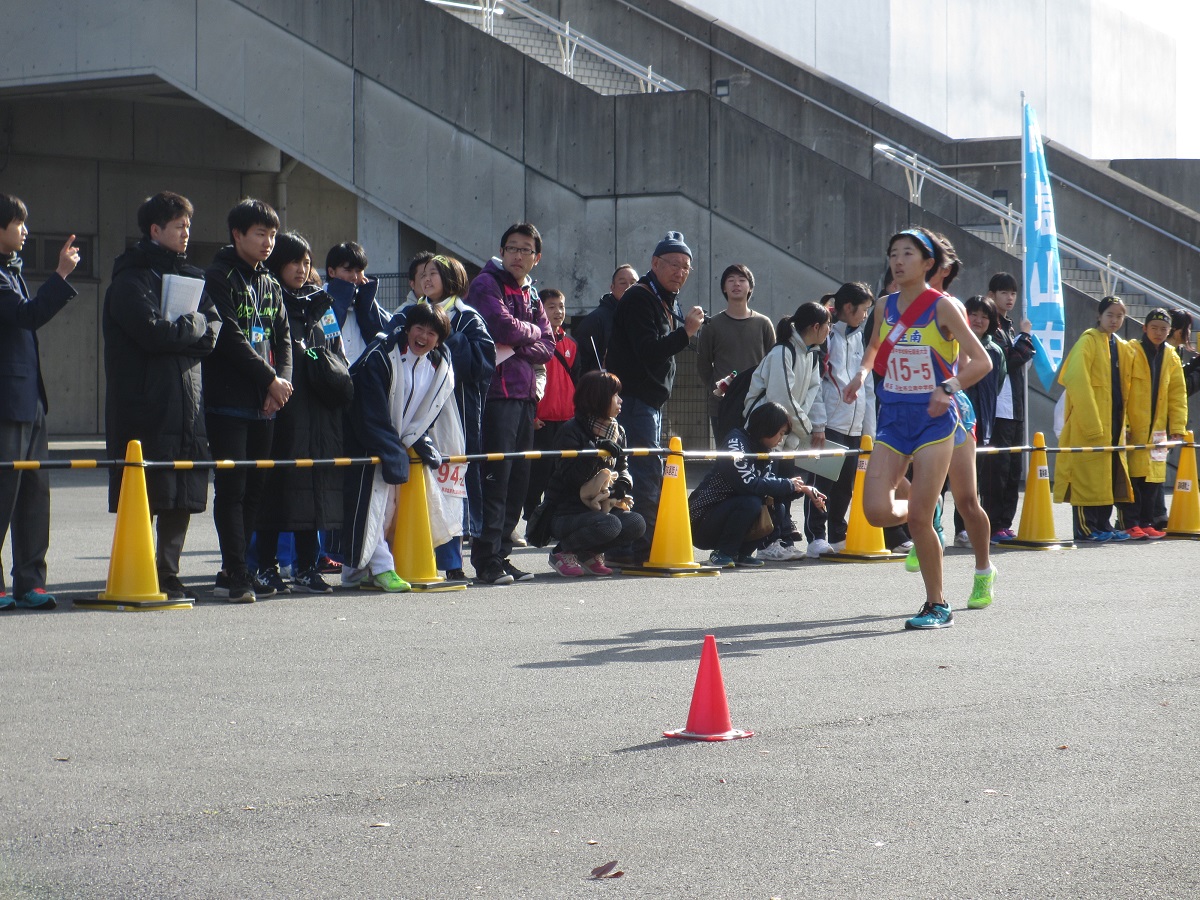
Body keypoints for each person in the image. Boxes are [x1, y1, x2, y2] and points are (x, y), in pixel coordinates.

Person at [842, 226, 993, 630]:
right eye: (893, 253)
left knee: (954, 505)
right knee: (875, 511)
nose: (898, 260)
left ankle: (938, 604)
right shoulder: (884, 306)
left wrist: (949, 386)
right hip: (893, 418)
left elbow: (981, 362)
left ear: (929, 263)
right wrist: (859, 374)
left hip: (935, 422)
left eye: (907, 253)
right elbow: (874, 347)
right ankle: (927, 510)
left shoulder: (944, 307)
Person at [103, 191, 221, 602]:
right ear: (155, 230)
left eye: (188, 225)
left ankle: (168, 573)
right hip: (145, 405)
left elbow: (213, 333)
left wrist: (185, 330)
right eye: (178, 226)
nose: (186, 232)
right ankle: (138, 569)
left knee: (180, 495)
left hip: (187, 404)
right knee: (145, 493)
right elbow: (154, 333)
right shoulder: (130, 279)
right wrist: (192, 326)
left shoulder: (191, 276)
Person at [202, 198, 292, 603]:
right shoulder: (218, 276)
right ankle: (233, 569)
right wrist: (270, 379)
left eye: (272, 234)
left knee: (257, 488)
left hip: (267, 404)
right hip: (229, 401)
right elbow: (229, 337)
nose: (268, 242)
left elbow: (284, 338)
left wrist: (282, 383)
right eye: (260, 233)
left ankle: (242, 566)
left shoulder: (270, 282)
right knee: (232, 487)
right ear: (237, 234)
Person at [253, 232, 350, 595]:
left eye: (306, 262)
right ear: (277, 265)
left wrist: (313, 356)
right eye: (294, 261)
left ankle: (308, 566)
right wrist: (307, 354)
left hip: (320, 408)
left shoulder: (321, 305)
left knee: (316, 488)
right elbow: (263, 348)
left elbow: (338, 353)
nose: (301, 268)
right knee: (276, 488)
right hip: (284, 407)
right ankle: (265, 565)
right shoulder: (268, 300)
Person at [604, 232, 706, 564]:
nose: (680, 272)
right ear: (655, 263)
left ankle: (635, 544)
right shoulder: (639, 297)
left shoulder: (663, 298)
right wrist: (685, 333)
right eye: (673, 264)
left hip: (648, 402)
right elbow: (648, 351)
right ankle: (636, 548)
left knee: (643, 470)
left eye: (686, 267)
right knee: (642, 471)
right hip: (634, 401)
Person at [0, 194, 80, 611]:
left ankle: (30, 582)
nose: (25, 231)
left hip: (30, 398)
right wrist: (61, 276)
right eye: (18, 223)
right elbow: (25, 316)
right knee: (3, 492)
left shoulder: (11, 270)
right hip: (6, 402)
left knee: (35, 494)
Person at [340, 302, 454, 591]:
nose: (424, 337)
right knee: (374, 508)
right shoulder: (381, 357)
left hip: (396, 445)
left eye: (432, 332)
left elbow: (426, 411)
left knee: (385, 509)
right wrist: (391, 449)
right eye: (419, 328)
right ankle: (382, 568)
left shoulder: (437, 366)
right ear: (407, 329)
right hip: (367, 442)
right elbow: (369, 412)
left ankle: (355, 572)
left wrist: (417, 439)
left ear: (439, 339)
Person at [466, 222, 555, 585]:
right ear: (502, 251)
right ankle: (486, 558)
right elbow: (501, 328)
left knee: (518, 482)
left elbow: (548, 344)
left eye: (526, 250)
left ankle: (503, 554)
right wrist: (527, 333)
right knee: (495, 480)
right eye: (512, 248)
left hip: (524, 398)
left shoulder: (532, 294)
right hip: (496, 397)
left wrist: (524, 337)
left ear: (537, 257)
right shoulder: (486, 283)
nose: (518, 255)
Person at [398, 254, 495, 580]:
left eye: (434, 273)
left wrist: (447, 334)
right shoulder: (406, 314)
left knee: (450, 487)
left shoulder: (468, 318)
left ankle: (452, 563)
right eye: (423, 273)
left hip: (454, 417)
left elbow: (482, 367)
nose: (426, 279)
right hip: (409, 412)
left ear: (452, 278)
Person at [689, 401, 825, 568]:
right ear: (767, 427)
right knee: (751, 502)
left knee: (777, 507)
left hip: (729, 514)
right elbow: (748, 484)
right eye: (780, 433)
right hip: (701, 520)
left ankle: (742, 553)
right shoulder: (736, 442)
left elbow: (770, 487)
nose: (781, 439)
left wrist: (804, 490)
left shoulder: (766, 450)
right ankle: (723, 553)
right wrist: (788, 484)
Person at [744, 301, 829, 561]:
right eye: (827, 325)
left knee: (784, 486)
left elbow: (813, 395)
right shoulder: (783, 351)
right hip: (767, 430)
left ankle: (779, 538)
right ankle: (766, 542)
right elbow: (783, 399)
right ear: (815, 326)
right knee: (769, 486)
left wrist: (817, 427)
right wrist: (807, 430)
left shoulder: (811, 354)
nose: (829, 330)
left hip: (788, 433)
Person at [539, 370, 646, 576]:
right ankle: (562, 552)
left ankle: (589, 553)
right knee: (611, 524)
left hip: (600, 509)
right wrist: (596, 452)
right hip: (565, 513)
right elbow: (572, 478)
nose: (620, 400)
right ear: (598, 398)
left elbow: (623, 467)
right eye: (615, 395)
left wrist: (622, 485)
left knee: (635, 523)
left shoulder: (618, 431)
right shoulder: (571, 430)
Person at [1053, 296, 1134, 543]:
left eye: (1119, 316)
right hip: (1089, 423)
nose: (1115, 320)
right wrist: (1091, 423)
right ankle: (1086, 528)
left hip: (1112, 423)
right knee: (1085, 478)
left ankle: (1102, 524)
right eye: (1110, 315)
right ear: (1099, 316)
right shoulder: (1087, 341)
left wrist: (1126, 423)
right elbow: (1076, 380)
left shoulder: (1118, 345)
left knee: (1104, 478)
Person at [804, 281, 875, 557]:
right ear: (848, 307)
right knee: (822, 481)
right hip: (830, 423)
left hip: (855, 425)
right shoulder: (826, 334)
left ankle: (837, 533)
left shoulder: (862, 337)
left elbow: (867, 386)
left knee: (845, 485)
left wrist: (869, 432)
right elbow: (816, 383)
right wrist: (819, 423)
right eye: (864, 310)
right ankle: (816, 536)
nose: (866, 316)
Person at [1116, 307, 1187, 539]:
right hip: (1134, 426)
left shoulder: (1172, 356)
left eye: (1163, 329)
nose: (1158, 333)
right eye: (1154, 328)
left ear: (1170, 332)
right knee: (1132, 477)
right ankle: (1129, 522)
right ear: (1144, 328)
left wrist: (1177, 428)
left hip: (1158, 430)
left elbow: (1178, 395)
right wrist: (1124, 424)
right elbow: (1122, 391)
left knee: (1153, 478)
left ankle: (1147, 521)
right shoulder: (1131, 351)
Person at [982, 272, 1036, 542]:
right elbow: (1008, 360)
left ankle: (1005, 522)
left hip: (1015, 407)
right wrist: (1026, 338)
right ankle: (991, 524)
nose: (1010, 297)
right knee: (997, 470)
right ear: (992, 295)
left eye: (1013, 293)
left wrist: (1022, 338)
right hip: (999, 409)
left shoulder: (1011, 327)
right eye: (1004, 292)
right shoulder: (992, 328)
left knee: (1014, 469)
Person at [696, 263, 776, 444]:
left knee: (757, 456)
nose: (736, 284)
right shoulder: (712, 325)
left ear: (750, 287)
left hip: (756, 403)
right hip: (722, 404)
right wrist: (716, 390)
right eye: (730, 280)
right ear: (724, 288)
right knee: (726, 457)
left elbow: (774, 362)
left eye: (742, 280)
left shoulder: (763, 323)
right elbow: (703, 365)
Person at [952, 296, 1006, 547]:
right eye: (973, 314)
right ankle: (934, 528)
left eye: (984, 316)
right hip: (952, 419)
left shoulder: (995, 350)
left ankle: (964, 530)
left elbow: (998, 383)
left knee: (973, 481)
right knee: (941, 479)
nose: (978, 320)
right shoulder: (955, 344)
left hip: (981, 422)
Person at [523, 287, 577, 528]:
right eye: (552, 306)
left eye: (561, 306)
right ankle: (532, 521)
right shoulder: (532, 340)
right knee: (537, 475)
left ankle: (551, 523)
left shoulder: (571, 345)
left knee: (560, 476)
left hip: (566, 421)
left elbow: (578, 382)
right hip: (541, 420)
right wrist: (532, 414)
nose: (558, 311)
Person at [323, 241, 390, 366]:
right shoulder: (320, 302)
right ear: (331, 272)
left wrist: (366, 302)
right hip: (333, 378)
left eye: (359, 271)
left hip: (364, 380)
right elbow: (326, 338)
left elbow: (383, 337)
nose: (354, 277)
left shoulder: (366, 302)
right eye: (348, 270)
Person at [575, 264, 637, 375]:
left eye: (633, 283)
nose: (628, 287)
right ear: (612, 287)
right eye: (622, 283)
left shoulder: (645, 318)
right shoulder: (595, 320)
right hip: (605, 388)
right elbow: (581, 364)